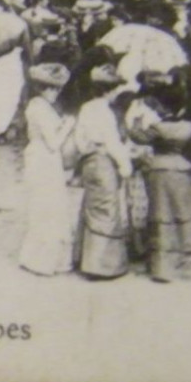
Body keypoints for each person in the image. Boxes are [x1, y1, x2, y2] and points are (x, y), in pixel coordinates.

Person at [126, 70, 191, 283]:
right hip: (181, 169)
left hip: (159, 170)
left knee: (161, 214)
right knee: (185, 213)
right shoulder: (188, 127)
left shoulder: (158, 128)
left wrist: (135, 123)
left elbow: (139, 137)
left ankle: (163, 267)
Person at [72, 63, 133, 280]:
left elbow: (79, 139)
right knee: (107, 209)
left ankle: (84, 258)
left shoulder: (86, 108)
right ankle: (101, 265)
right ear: (109, 89)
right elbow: (112, 142)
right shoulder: (105, 112)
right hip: (104, 160)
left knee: (92, 207)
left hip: (89, 160)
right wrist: (125, 165)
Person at [17, 63, 77, 275]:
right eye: (53, 89)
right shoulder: (39, 108)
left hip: (44, 158)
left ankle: (48, 258)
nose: (56, 93)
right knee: (47, 207)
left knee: (49, 207)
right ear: (44, 89)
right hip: (43, 158)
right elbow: (53, 142)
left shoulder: (40, 106)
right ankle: (42, 260)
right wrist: (68, 125)